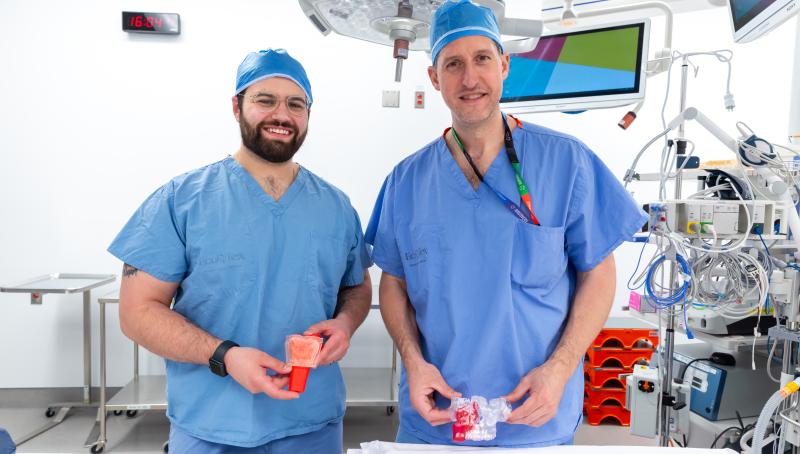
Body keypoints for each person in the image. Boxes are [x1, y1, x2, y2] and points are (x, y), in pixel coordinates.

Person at [366, 0, 647, 447]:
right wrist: (413, 362)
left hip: (534, 418)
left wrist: (559, 370)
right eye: (453, 64)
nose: (470, 78)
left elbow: (599, 271)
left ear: (505, 65)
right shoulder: (406, 182)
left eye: (482, 59)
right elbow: (394, 282)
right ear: (435, 79)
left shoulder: (565, 162)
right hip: (437, 418)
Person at [108, 48, 372, 453]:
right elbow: (137, 312)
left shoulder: (335, 207)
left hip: (312, 423)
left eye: (295, 104)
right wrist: (224, 355)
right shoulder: (181, 201)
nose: (281, 115)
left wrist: (346, 324)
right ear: (237, 106)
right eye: (265, 100)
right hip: (211, 424)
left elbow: (355, 288)